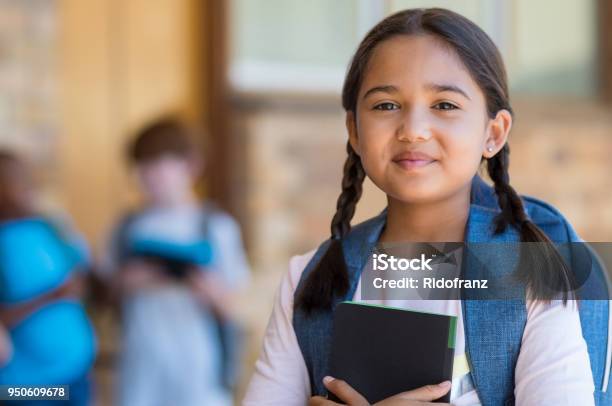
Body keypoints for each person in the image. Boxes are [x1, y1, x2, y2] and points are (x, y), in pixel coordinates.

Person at [243, 8, 610, 406]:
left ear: (494, 132)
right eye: (385, 105)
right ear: (354, 130)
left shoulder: (533, 272)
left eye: (445, 105)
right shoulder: (307, 280)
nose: (413, 129)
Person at [100, 118, 250, 406]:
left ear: (191, 165)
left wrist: (209, 290)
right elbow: (104, 294)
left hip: (199, 368)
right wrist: (127, 282)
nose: (148, 176)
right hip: (139, 364)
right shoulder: (125, 227)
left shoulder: (216, 226)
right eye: (142, 166)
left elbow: (235, 306)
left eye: (158, 165)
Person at [0, 150, 96, 405]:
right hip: (26, 386)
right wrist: (49, 297)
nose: (29, 189)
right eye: (16, 181)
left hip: (77, 370)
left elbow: (81, 274)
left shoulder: (48, 226)